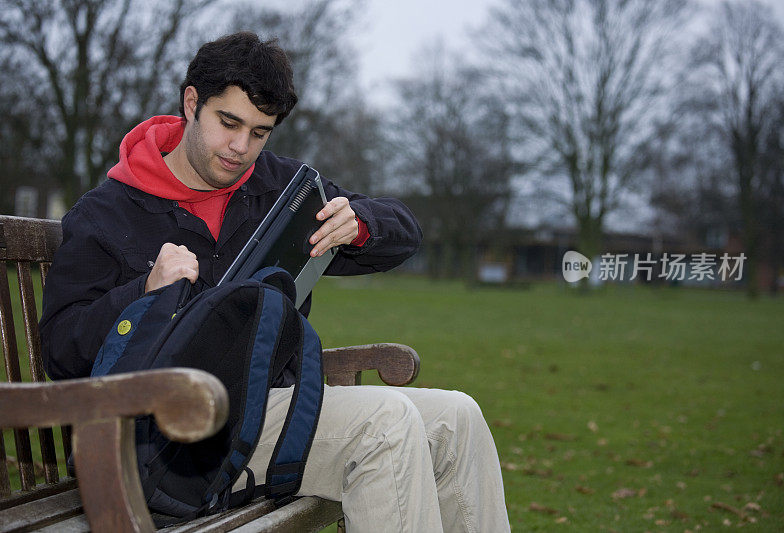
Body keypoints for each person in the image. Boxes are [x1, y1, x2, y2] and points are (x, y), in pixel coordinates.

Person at [39, 31, 509, 532]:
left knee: (458, 417)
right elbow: (61, 349)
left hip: (270, 408)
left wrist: (359, 224)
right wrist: (143, 293)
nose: (241, 148)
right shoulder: (108, 213)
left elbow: (404, 229)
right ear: (192, 102)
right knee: (386, 426)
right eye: (229, 123)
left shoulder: (283, 191)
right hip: (174, 437)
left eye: (260, 132)